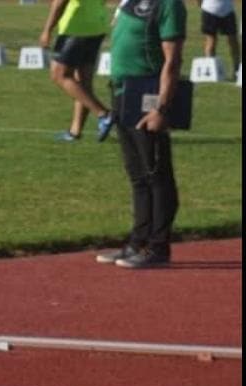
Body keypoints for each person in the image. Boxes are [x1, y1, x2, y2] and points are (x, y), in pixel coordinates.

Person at [95, 0, 185, 268]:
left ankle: (158, 247)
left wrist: (161, 107)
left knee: (156, 174)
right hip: (123, 93)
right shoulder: (129, 2)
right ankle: (138, 241)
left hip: (148, 96)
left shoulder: (168, 5)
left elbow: (173, 59)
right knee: (137, 175)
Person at [39, 0, 114, 141]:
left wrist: (47, 29)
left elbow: (59, 3)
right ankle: (75, 131)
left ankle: (104, 114)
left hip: (75, 27)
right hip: (97, 25)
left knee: (58, 75)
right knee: (83, 83)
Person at [200, 0, 241, 75]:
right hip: (210, 9)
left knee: (233, 42)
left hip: (228, 10)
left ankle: (237, 70)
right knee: (211, 41)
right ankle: (210, 70)